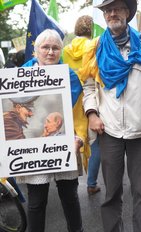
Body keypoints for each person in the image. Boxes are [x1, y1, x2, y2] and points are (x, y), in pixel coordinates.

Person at [78, 0, 141, 231]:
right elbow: (89, 88)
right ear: (104, 15)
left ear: (128, 12)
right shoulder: (95, 47)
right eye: (108, 10)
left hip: (140, 132)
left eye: (117, 8)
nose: (112, 13)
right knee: (112, 192)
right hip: (109, 131)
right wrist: (91, 114)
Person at [17, 29, 84, 232]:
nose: (50, 52)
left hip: (66, 144)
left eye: (55, 48)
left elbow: (79, 113)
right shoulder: (19, 77)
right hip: (34, 148)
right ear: (35, 50)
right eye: (45, 47)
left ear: (60, 51)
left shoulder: (70, 77)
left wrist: (79, 137)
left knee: (70, 197)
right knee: (36, 201)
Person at [63, 15, 101, 195]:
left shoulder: (64, 50)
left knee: (74, 139)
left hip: (70, 101)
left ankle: (68, 179)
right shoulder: (94, 46)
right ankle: (91, 183)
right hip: (90, 100)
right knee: (94, 143)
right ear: (91, 30)